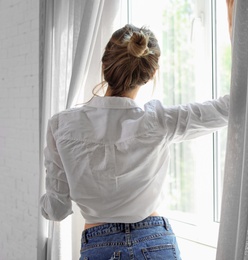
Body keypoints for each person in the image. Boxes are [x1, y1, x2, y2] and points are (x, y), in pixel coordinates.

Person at [40, 23, 229, 259]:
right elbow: (227, 109)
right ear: (150, 75)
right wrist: (238, 35)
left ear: (104, 65)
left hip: (100, 247)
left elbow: (56, 209)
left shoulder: (61, 125)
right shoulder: (160, 120)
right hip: (157, 243)